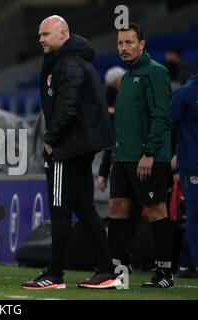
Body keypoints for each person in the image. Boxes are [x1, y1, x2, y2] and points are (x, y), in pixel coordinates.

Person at [21, 15, 122, 290]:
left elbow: (68, 105)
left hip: (68, 147)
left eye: (46, 34)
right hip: (79, 145)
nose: (41, 39)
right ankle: (107, 270)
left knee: (60, 209)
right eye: (39, 34)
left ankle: (54, 274)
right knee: (85, 208)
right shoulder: (68, 61)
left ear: (63, 33)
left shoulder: (70, 64)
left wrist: (51, 140)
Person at [108, 23, 175, 288]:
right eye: (120, 43)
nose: (124, 48)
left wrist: (149, 153)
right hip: (122, 158)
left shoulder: (155, 72)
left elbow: (161, 115)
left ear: (142, 44)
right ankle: (116, 270)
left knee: (156, 210)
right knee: (117, 208)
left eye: (129, 43)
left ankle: (165, 273)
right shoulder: (126, 77)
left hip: (149, 159)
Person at [171, 71, 198, 278]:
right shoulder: (186, 93)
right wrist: (173, 154)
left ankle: (186, 264)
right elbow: (168, 122)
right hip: (192, 164)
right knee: (195, 213)